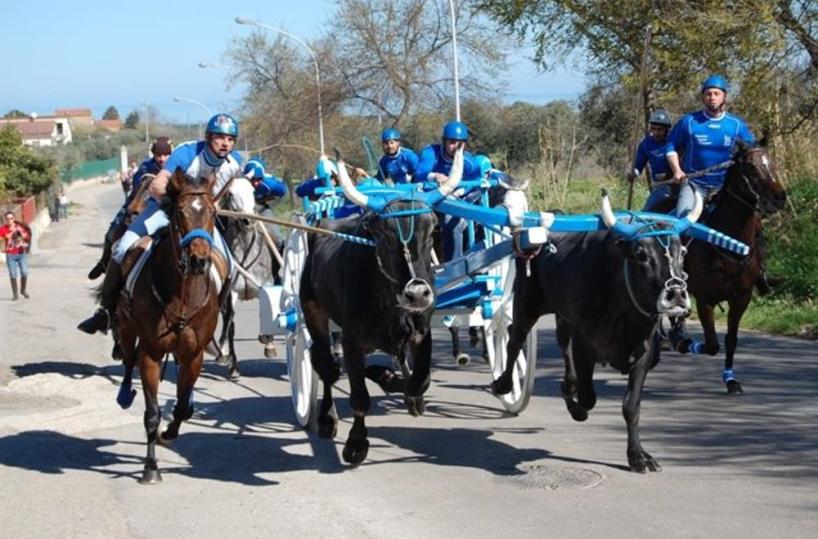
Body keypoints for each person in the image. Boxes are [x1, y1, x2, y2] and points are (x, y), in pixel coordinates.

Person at [78, 114, 243, 334]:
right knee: (121, 248)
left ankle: (213, 313)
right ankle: (105, 310)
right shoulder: (186, 153)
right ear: (208, 137)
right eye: (220, 137)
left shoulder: (236, 162)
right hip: (164, 209)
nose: (225, 144)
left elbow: (221, 194)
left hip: (199, 219)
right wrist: (177, 203)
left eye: (230, 139)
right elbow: (157, 186)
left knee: (228, 265)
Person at [666, 74, 755, 217]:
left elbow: (752, 151)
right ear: (703, 97)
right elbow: (670, 146)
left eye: (716, 94)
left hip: (725, 188)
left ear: (724, 96)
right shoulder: (689, 121)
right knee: (682, 221)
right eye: (708, 94)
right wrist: (676, 170)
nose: (712, 97)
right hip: (694, 185)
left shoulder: (736, 124)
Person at [87, 137, 173, 279]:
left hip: (165, 209)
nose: (162, 159)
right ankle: (104, 263)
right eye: (158, 155)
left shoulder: (176, 168)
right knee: (111, 234)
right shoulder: (145, 168)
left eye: (166, 154)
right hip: (139, 206)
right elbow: (136, 191)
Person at [415, 121, 483, 260]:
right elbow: (419, 173)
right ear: (444, 141)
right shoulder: (430, 153)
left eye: (460, 143)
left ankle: (456, 262)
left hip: (457, 198)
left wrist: (458, 192)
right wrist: (434, 176)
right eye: (452, 142)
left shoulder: (470, 162)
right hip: (430, 196)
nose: (456, 147)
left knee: (454, 221)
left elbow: (474, 183)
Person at [626, 108, 674, 212]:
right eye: (654, 129)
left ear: (667, 130)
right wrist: (633, 173)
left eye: (660, 129)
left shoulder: (675, 142)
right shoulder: (647, 144)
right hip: (660, 188)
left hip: (679, 187)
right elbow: (638, 165)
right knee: (646, 214)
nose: (656, 132)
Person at [0, 211, 31, 300]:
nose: (9, 220)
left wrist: (22, 233)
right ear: (5, 220)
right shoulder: (3, 229)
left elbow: (26, 236)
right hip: (10, 254)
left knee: (24, 272)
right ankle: (15, 294)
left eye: (11, 218)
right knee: (13, 274)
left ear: (14, 219)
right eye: (8, 218)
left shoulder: (19, 227)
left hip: (21, 253)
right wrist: (6, 236)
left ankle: (23, 290)